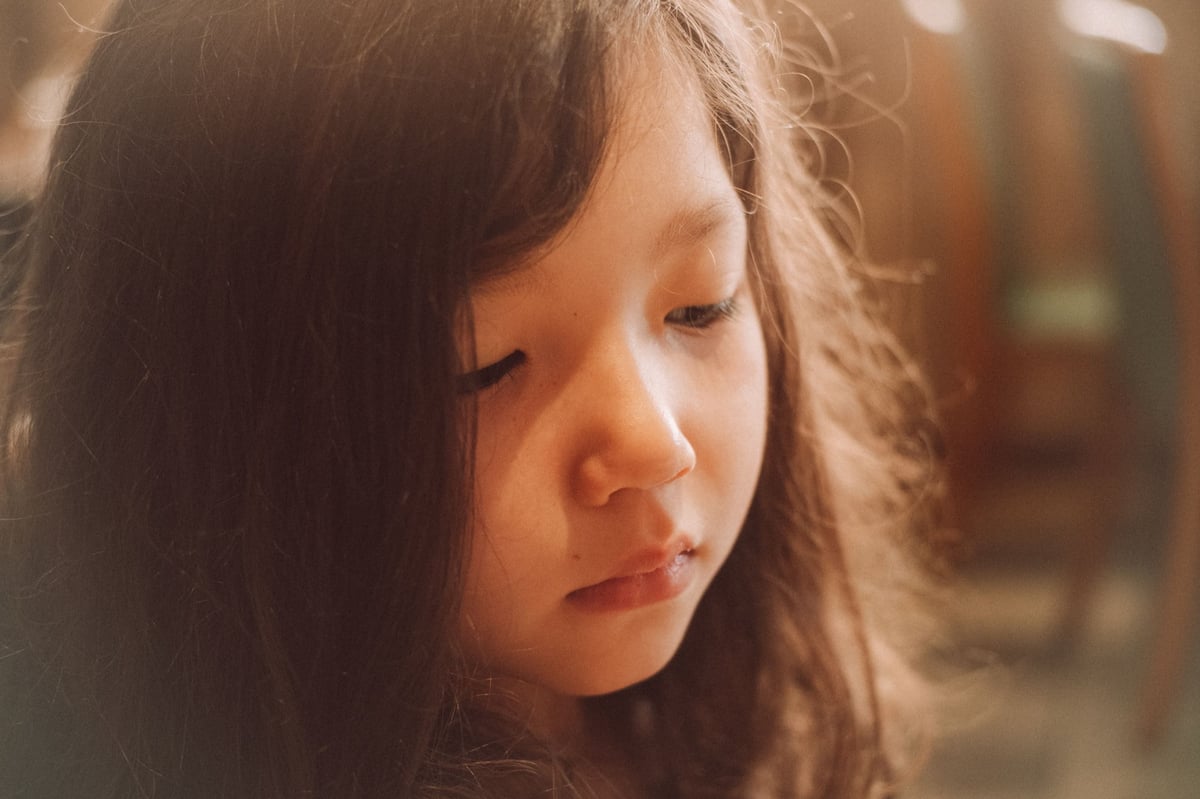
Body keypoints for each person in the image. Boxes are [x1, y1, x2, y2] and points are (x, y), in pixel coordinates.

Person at [0, 0, 944, 796]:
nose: (657, 446)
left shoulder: (702, 705)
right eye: (484, 364)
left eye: (700, 304)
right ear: (215, 423)